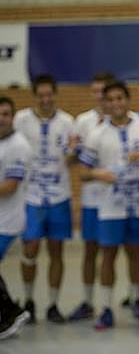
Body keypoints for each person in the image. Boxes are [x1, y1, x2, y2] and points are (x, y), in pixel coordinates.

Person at [78, 81, 139, 330]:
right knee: (108, 255)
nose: (115, 103)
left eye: (119, 98)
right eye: (110, 100)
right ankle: (105, 309)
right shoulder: (97, 133)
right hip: (110, 205)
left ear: (127, 99)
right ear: (105, 103)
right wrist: (98, 173)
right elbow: (82, 172)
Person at [15, 74, 77, 324]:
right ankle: (28, 299)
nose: (45, 99)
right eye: (40, 95)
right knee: (30, 247)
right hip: (31, 195)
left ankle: (53, 303)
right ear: (35, 96)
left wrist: (73, 152)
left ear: (55, 94)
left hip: (59, 195)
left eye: (49, 94)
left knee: (56, 251)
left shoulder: (67, 122)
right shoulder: (21, 120)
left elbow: (71, 160)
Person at [68, 72, 116, 321]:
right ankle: (87, 301)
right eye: (96, 91)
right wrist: (71, 151)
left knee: (121, 251)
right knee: (90, 250)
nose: (100, 96)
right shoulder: (83, 121)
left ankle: (131, 299)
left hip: (117, 199)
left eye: (103, 91)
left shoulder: (128, 120)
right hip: (91, 198)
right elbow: (73, 160)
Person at [0, 96, 32, 339]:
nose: (1, 119)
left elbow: (10, 187)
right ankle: (10, 312)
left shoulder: (18, 146)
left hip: (8, 221)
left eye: (6, 114)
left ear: (13, 117)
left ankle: (11, 313)